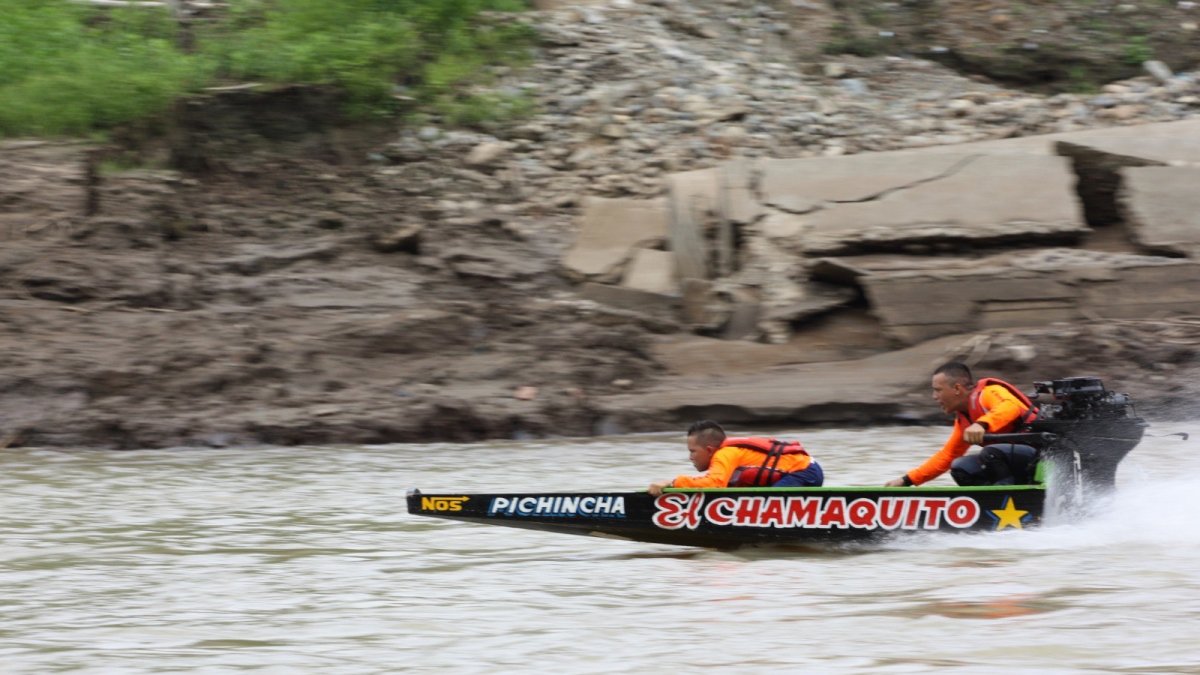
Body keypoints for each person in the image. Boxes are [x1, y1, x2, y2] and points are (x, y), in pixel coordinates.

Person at [884, 361, 1040, 488]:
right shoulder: (964, 421)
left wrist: (982, 424)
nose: (934, 396)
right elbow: (946, 456)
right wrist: (907, 480)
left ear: (957, 388)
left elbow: (1010, 407)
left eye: (938, 390)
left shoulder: (988, 393)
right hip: (1016, 462)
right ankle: (987, 507)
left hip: (1042, 457)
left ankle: (1008, 498)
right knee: (960, 466)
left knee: (990, 453)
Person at [647, 420, 824, 495]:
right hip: (802, 469)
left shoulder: (725, 453)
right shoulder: (728, 455)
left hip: (803, 472)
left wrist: (672, 483)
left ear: (709, 450)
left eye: (693, 451)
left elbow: (713, 484)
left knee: (768, 503)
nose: (690, 457)